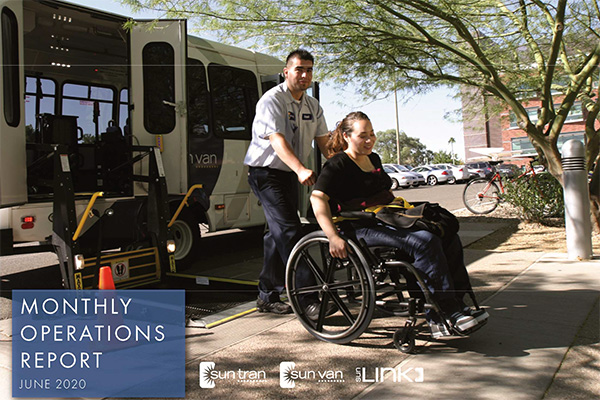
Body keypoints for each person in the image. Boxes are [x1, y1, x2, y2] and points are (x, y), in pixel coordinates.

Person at [310, 111, 488, 337]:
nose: (369, 140)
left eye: (372, 134)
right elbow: (317, 199)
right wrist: (333, 237)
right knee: (424, 242)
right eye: (363, 135)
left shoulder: (373, 158)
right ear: (346, 136)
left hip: (385, 216)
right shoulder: (338, 164)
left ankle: (457, 302)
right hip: (358, 225)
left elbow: (383, 191)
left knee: (444, 231)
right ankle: (443, 312)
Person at [244, 49, 331, 316]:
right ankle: (307, 300)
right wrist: (301, 169)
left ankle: (267, 296)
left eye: (309, 70)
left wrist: (345, 166)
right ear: (286, 72)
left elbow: (325, 143)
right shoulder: (272, 100)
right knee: (290, 231)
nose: (305, 75)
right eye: (299, 69)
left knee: (275, 234)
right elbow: (277, 140)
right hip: (265, 172)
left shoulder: (313, 106)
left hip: (289, 173)